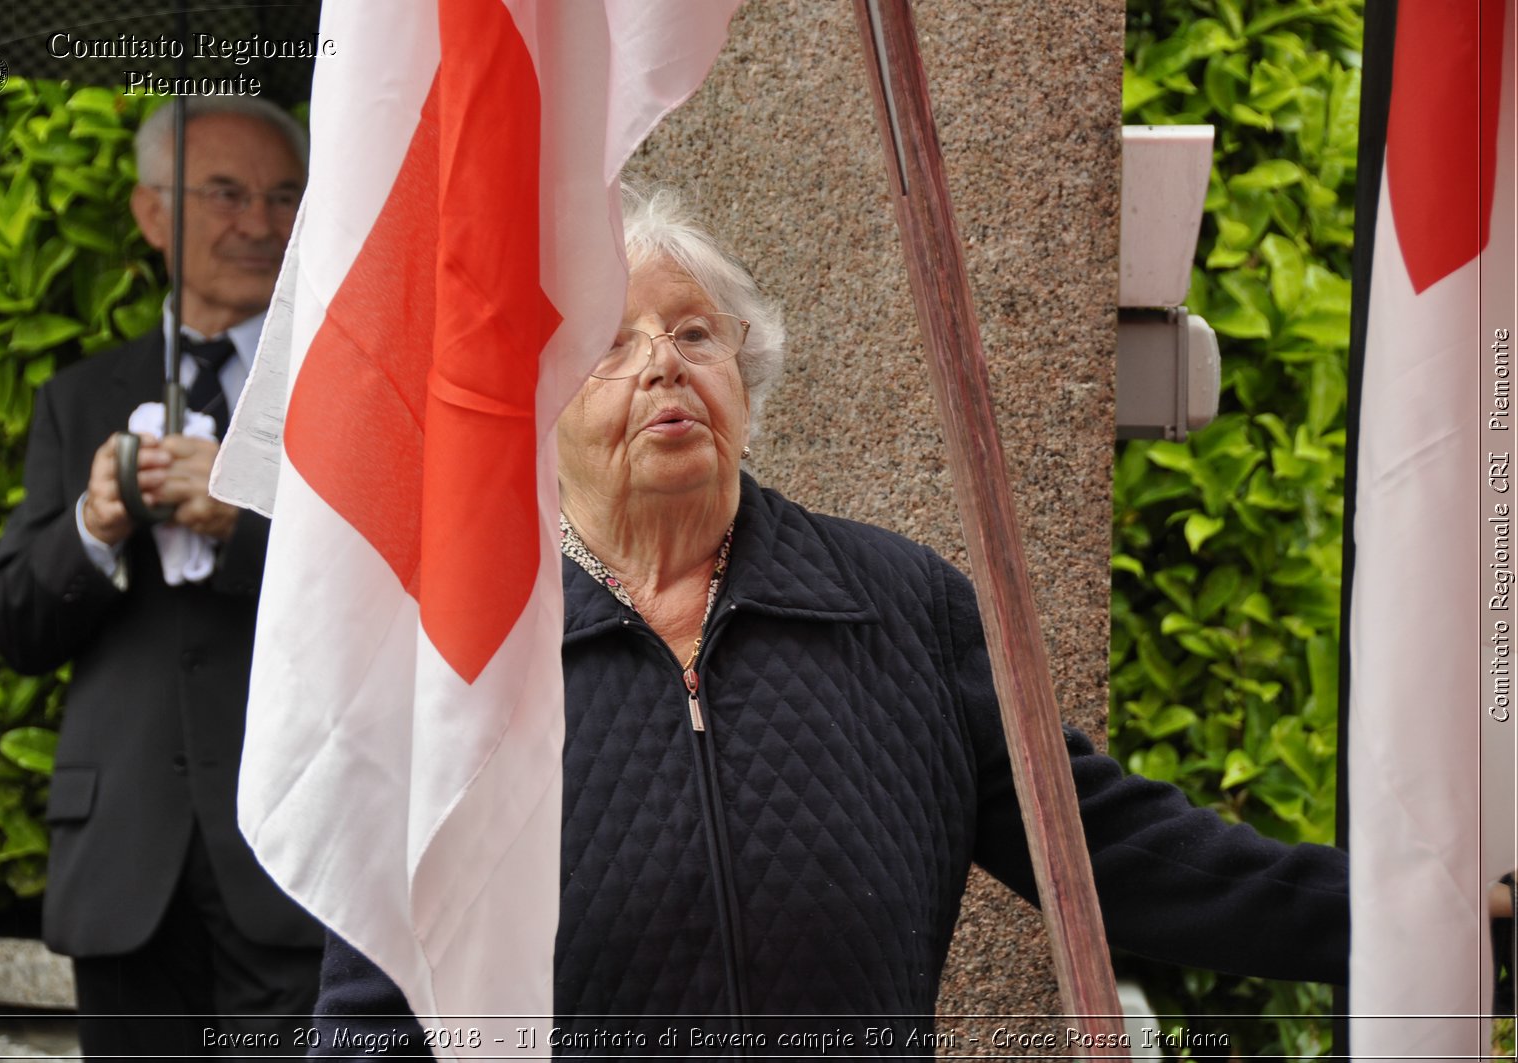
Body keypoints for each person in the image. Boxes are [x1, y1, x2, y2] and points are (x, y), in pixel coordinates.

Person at [307, 186, 1349, 1058]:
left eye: (694, 332)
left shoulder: (898, 605)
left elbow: (1113, 851)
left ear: (744, 377)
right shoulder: (462, 655)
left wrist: (1404, 917)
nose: (663, 363)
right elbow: (371, 1010)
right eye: (607, 344)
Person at [0, 97, 323, 1057]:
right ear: (150, 214)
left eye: (284, 196)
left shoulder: (340, 389)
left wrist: (240, 523)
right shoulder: (78, 394)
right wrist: (96, 522)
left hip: (294, 843)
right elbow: (14, 624)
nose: (260, 222)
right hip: (125, 860)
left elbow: (391, 592)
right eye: (225, 192)